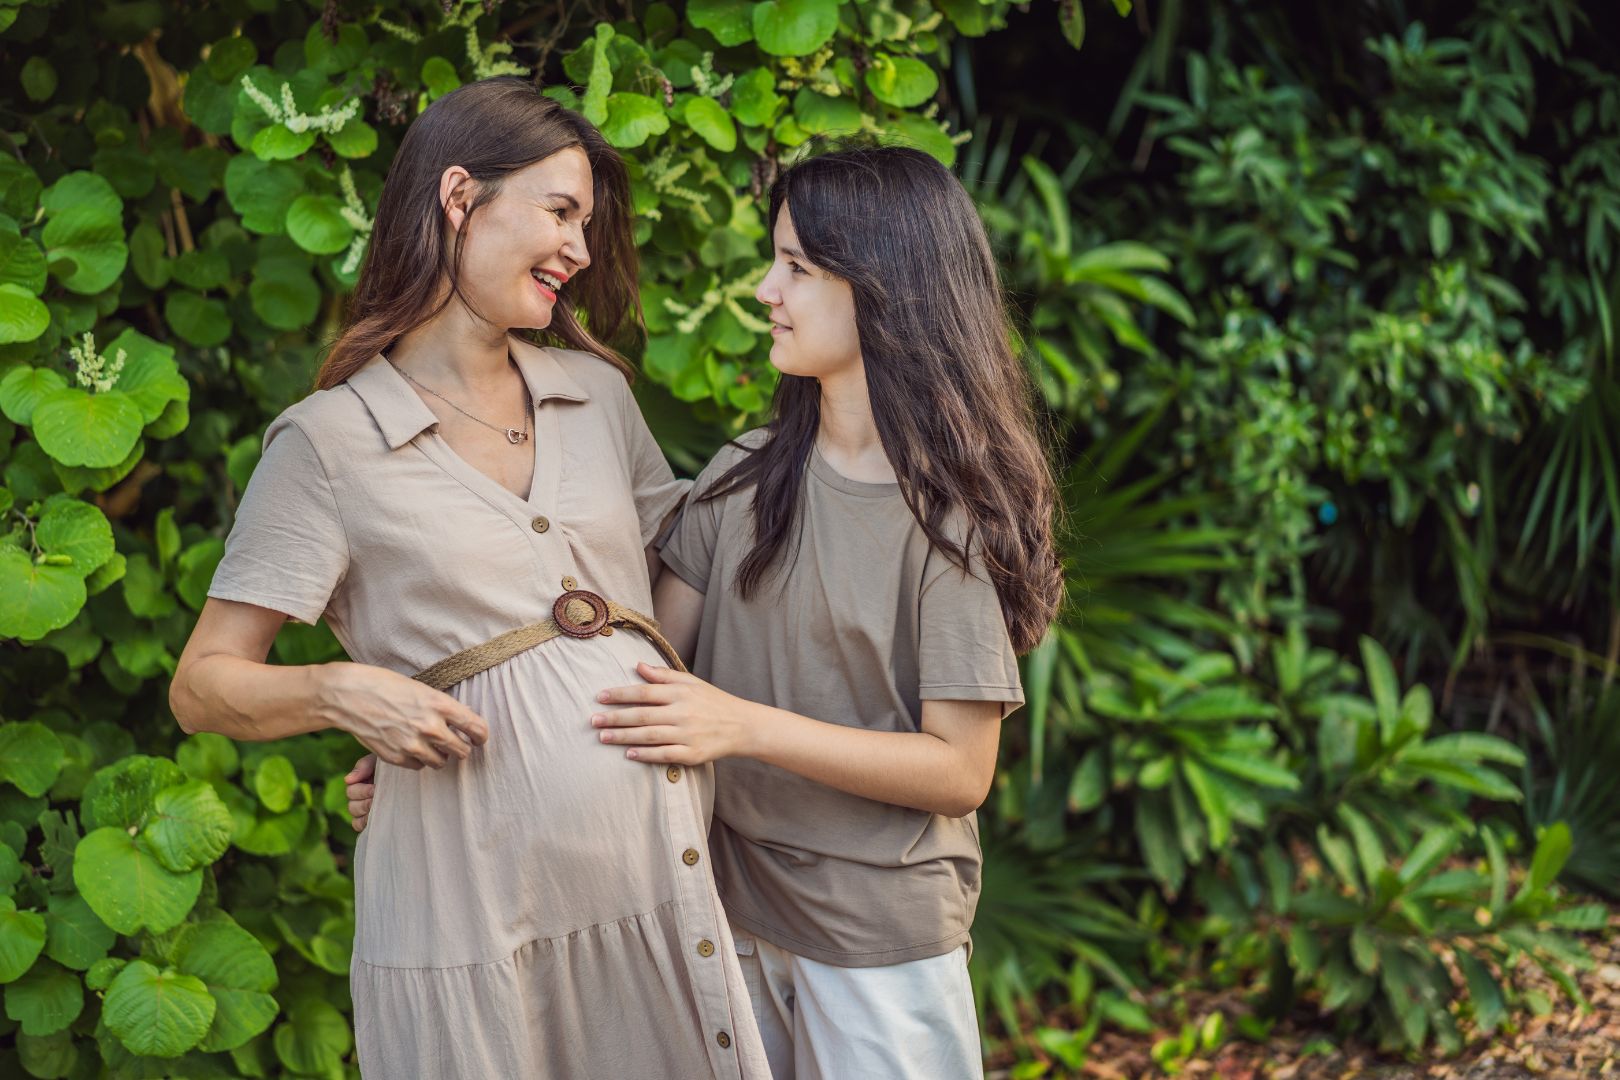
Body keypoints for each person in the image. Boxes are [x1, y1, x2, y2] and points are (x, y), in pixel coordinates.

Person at [347, 141, 1064, 1079]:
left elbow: (959, 771)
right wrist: (441, 771)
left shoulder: (948, 518)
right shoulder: (741, 481)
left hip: (880, 937)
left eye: (797, 269)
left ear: (887, 286)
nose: (768, 290)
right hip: (719, 913)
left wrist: (740, 726)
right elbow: (630, 680)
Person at [170, 77, 768, 1079]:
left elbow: (676, 607)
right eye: (561, 211)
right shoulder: (328, 445)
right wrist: (344, 695)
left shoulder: (598, 395)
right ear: (459, 196)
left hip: (652, 885)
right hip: (469, 907)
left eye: (588, 221)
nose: (581, 248)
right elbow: (203, 685)